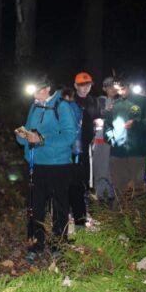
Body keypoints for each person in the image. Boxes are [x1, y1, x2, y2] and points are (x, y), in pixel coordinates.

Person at [15, 77, 76, 262]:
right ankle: (35, 244)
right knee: (35, 206)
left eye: (37, 89)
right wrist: (22, 136)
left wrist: (42, 139)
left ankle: (58, 245)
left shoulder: (62, 106)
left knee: (59, 206)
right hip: (36, 163)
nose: (33, 93)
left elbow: (69, 136)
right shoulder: (34, 106)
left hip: (58, 165)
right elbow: (28, 134)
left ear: (48, 88)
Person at [104, 78, 146, 197]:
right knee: (119, 187)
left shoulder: (145, 103)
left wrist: (137, 124)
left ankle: (136, 214)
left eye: (123, 89)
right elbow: (107, 126)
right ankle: (120, 213)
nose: (120, 92)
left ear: (129, 86)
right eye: (118, 90)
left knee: (137, 188)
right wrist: (110, 138)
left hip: (137, 152)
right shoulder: (115, 105)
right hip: (117, 153)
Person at [69, 72, 99, 230]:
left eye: (88, 85)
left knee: (86, 178)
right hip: (72, 147)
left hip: (88, 145)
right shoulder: (71, 101)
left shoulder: (93, 101)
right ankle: (71, 213)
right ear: (76, 86)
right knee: (73, 180)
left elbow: (96, 118)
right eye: (82, 85)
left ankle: (85, 210)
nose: (85, 88)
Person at [92, 77, 117, 204]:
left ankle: (114, 199)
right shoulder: (100, 101)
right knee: (101, 170)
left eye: (114, 85)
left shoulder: (124, 101)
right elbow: (95, 116)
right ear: (104, 88)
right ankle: (101, 200)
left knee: (115, 171)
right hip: (101, 141)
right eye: (109, 86)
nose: (112, 88)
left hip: (118, 142)